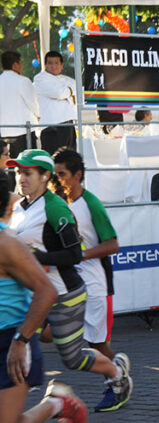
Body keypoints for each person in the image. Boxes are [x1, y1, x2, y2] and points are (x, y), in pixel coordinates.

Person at [7, 149, 132, 411]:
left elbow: (74, 254)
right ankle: (16, 398)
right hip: (36, 295)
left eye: (28, 173)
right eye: (19, 172)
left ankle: (116, 372)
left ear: (45, 176)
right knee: (21, 342)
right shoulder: (18, 206)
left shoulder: (55, 207)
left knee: (72, 358)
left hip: (65, 293)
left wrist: (38, 258)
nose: (22, 178)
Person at [0, 170, 89, 423]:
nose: (22, 178)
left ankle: (55, 404)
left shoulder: (7, 243)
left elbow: (46, 290)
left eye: (27, 173)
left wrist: (20, 341)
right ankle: (57, 403)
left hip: (10, 342)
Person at [52, 148, 123, 411]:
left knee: (97, 343)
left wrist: (80, 255)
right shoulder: (60, 203)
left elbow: (113, 244)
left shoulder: (91, 203)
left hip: (95, 283)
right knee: (48, 333)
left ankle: (117, 383)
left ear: (78, 175)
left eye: (62, 175)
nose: (58, 179)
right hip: (70, 283)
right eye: (55, 174)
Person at [33, 52, 76, 155]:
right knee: (53, 161)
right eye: (50, 63)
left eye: (56, 63)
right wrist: (70, 92)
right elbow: (59, 93)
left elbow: (79, 90)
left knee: (70, 160)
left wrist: (67, 93)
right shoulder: (40, 78)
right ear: (45, 65)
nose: (53, 66)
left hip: (69, 124)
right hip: (51, 127)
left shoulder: (67, 79)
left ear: (62, 65)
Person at [0, 51, 39, 158]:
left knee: (8, 166)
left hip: (4, 131)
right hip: (23, 131)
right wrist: (38, 116)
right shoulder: (23, 81)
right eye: (21, 63)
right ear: (15, 65)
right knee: (26, 165)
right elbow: (33, 104)